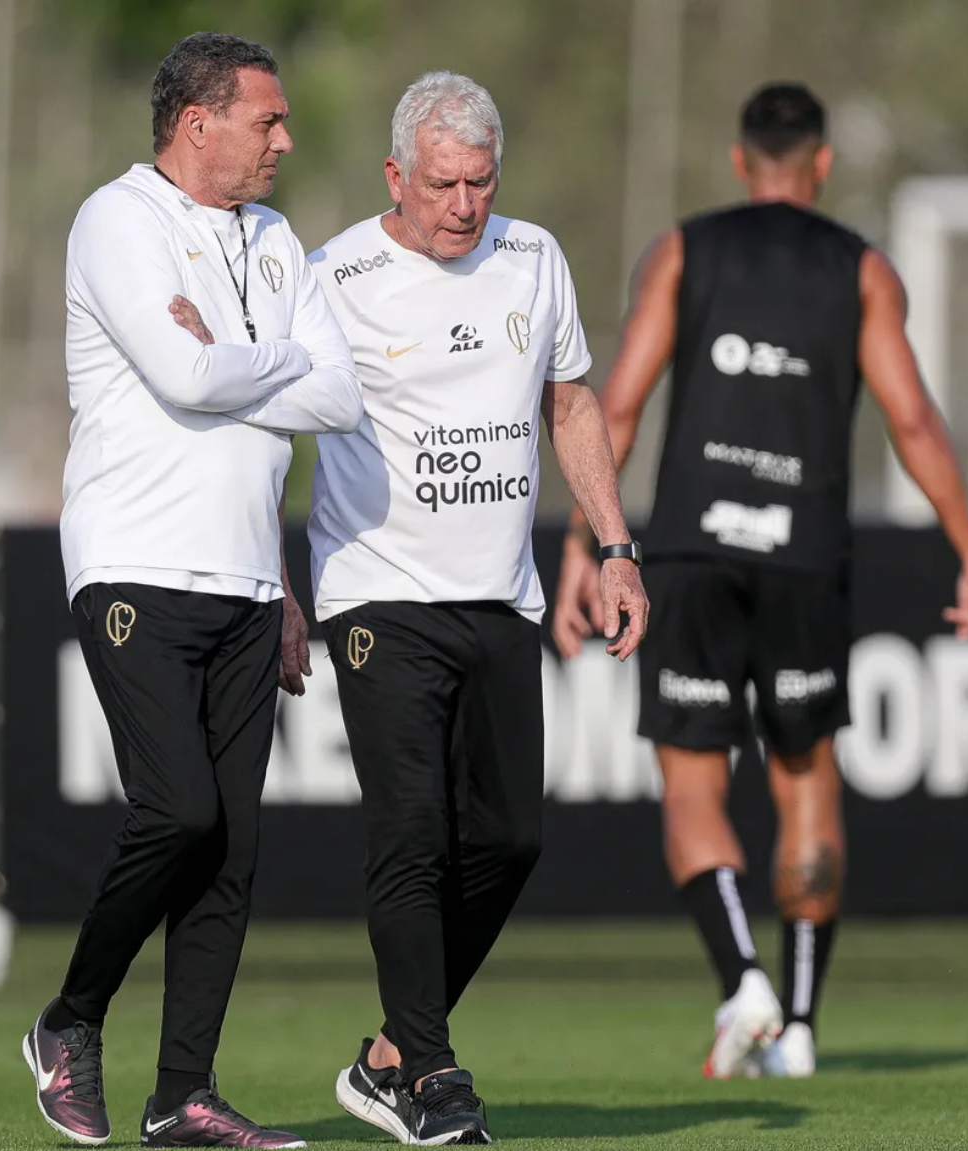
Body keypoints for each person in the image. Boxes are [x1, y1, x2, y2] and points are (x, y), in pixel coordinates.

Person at [553, 82, 968, 1080]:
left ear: (738, 159)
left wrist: (589, 545)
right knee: (807, 781)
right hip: (805, 558)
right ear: (824, 162)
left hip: (690, 552)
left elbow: (615, 407)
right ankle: (798, 1026)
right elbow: (915, 420)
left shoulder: (683, 250)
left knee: (690, 778)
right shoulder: (863, 269)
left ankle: (742, 981)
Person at [24, 32, 361, 1149]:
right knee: (179, 811)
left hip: (247, 578)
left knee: (232, 850)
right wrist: (264, 364)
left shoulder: (277, 237)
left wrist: (233, 361)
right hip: (134, 561)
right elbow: (182, 373)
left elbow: (341, 396)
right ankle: (69, 1019)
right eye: (266, 120)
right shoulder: (117, 219)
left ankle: (185, 1093)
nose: (285, 140)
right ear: (196, 123)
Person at [305, 72, 648, 1145]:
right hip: (377, 592)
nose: (465, 205)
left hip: (501, 594)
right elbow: (269, 420)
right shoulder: (332, 277)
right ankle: (433, 1074)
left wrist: (615, 545)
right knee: (410, 832)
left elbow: (572, 401)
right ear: (396, 177)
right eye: (443, 183)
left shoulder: (535, 256)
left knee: (511, 836)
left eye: (482, 181)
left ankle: (389, 1052)